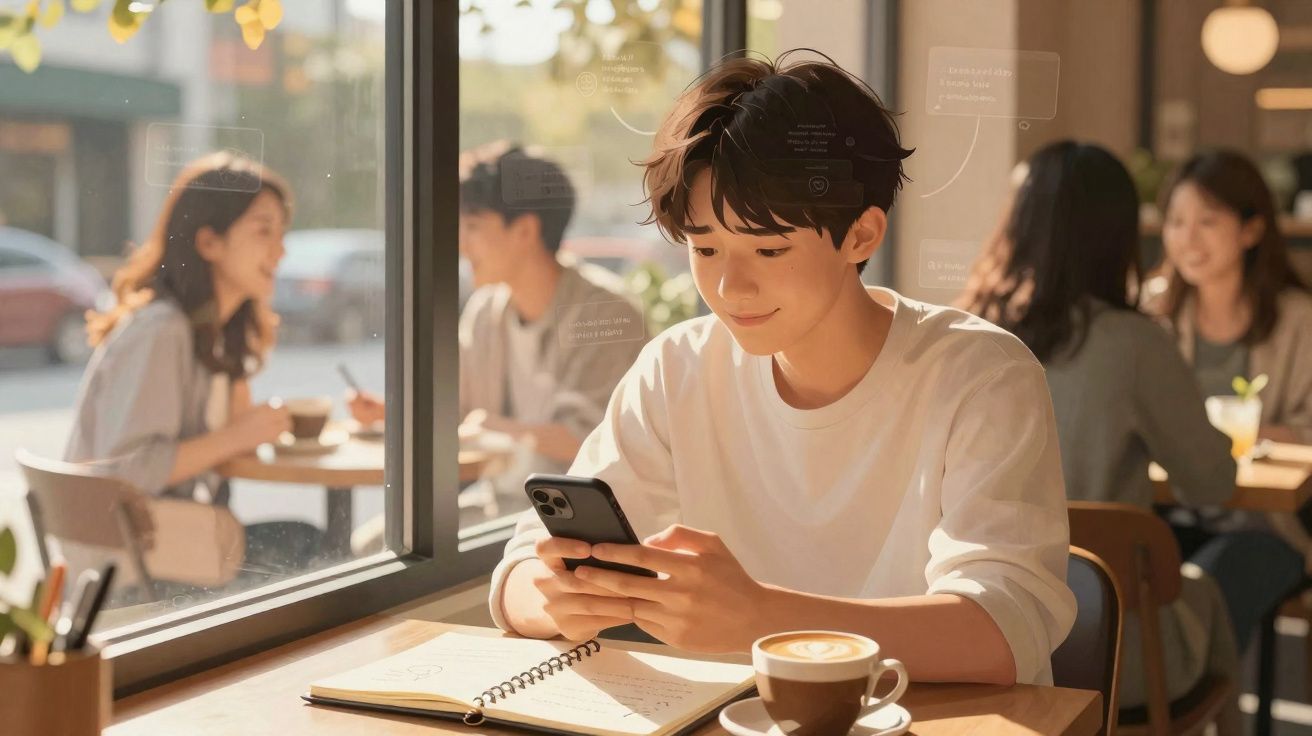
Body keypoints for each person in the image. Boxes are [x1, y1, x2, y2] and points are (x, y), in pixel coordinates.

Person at [488, 51, 1076, 686]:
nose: (730, 286)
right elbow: (522, 569)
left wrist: (763, 617)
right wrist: (554, 597)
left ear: (862, 235)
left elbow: (1004, 633)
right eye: (705, 247)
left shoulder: (979, 375)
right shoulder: (677, 368)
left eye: (768, 247)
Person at [958, 140, 1246, 727]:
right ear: (1118, 236)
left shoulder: (964, 336)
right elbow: (1213, 482)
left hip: (984, 648)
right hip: (1114, 657)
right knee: (1210, 592)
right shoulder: (1135, 344)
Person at [65, 152, 322, 583]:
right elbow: (130, 471)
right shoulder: (162, 330)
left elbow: (233, 435)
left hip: (154, 551)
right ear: (208, 243)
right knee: (317, 550)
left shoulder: (207, 331)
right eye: (264, 231)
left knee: (310, 545)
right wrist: (241, 434)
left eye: (282, 233)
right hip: (130, 569)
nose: (281, 251)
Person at [348, 143, 646, 479]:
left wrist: (496, 427)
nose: (460, 244)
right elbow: (456, 412)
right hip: (499, 506)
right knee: (374, 536)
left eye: (473, 226)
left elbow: (593, 437)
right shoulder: (486, 311)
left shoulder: (607, 313)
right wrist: (390, 414)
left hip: (576, 517)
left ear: (525, 231)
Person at [1150, 149, 1312, 443]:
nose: (1188, 239)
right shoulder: (1153, 311)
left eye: (1207, 222)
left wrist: (1229, 443)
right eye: (1176, 222)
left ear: (1251, 231)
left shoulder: (1300, 320)